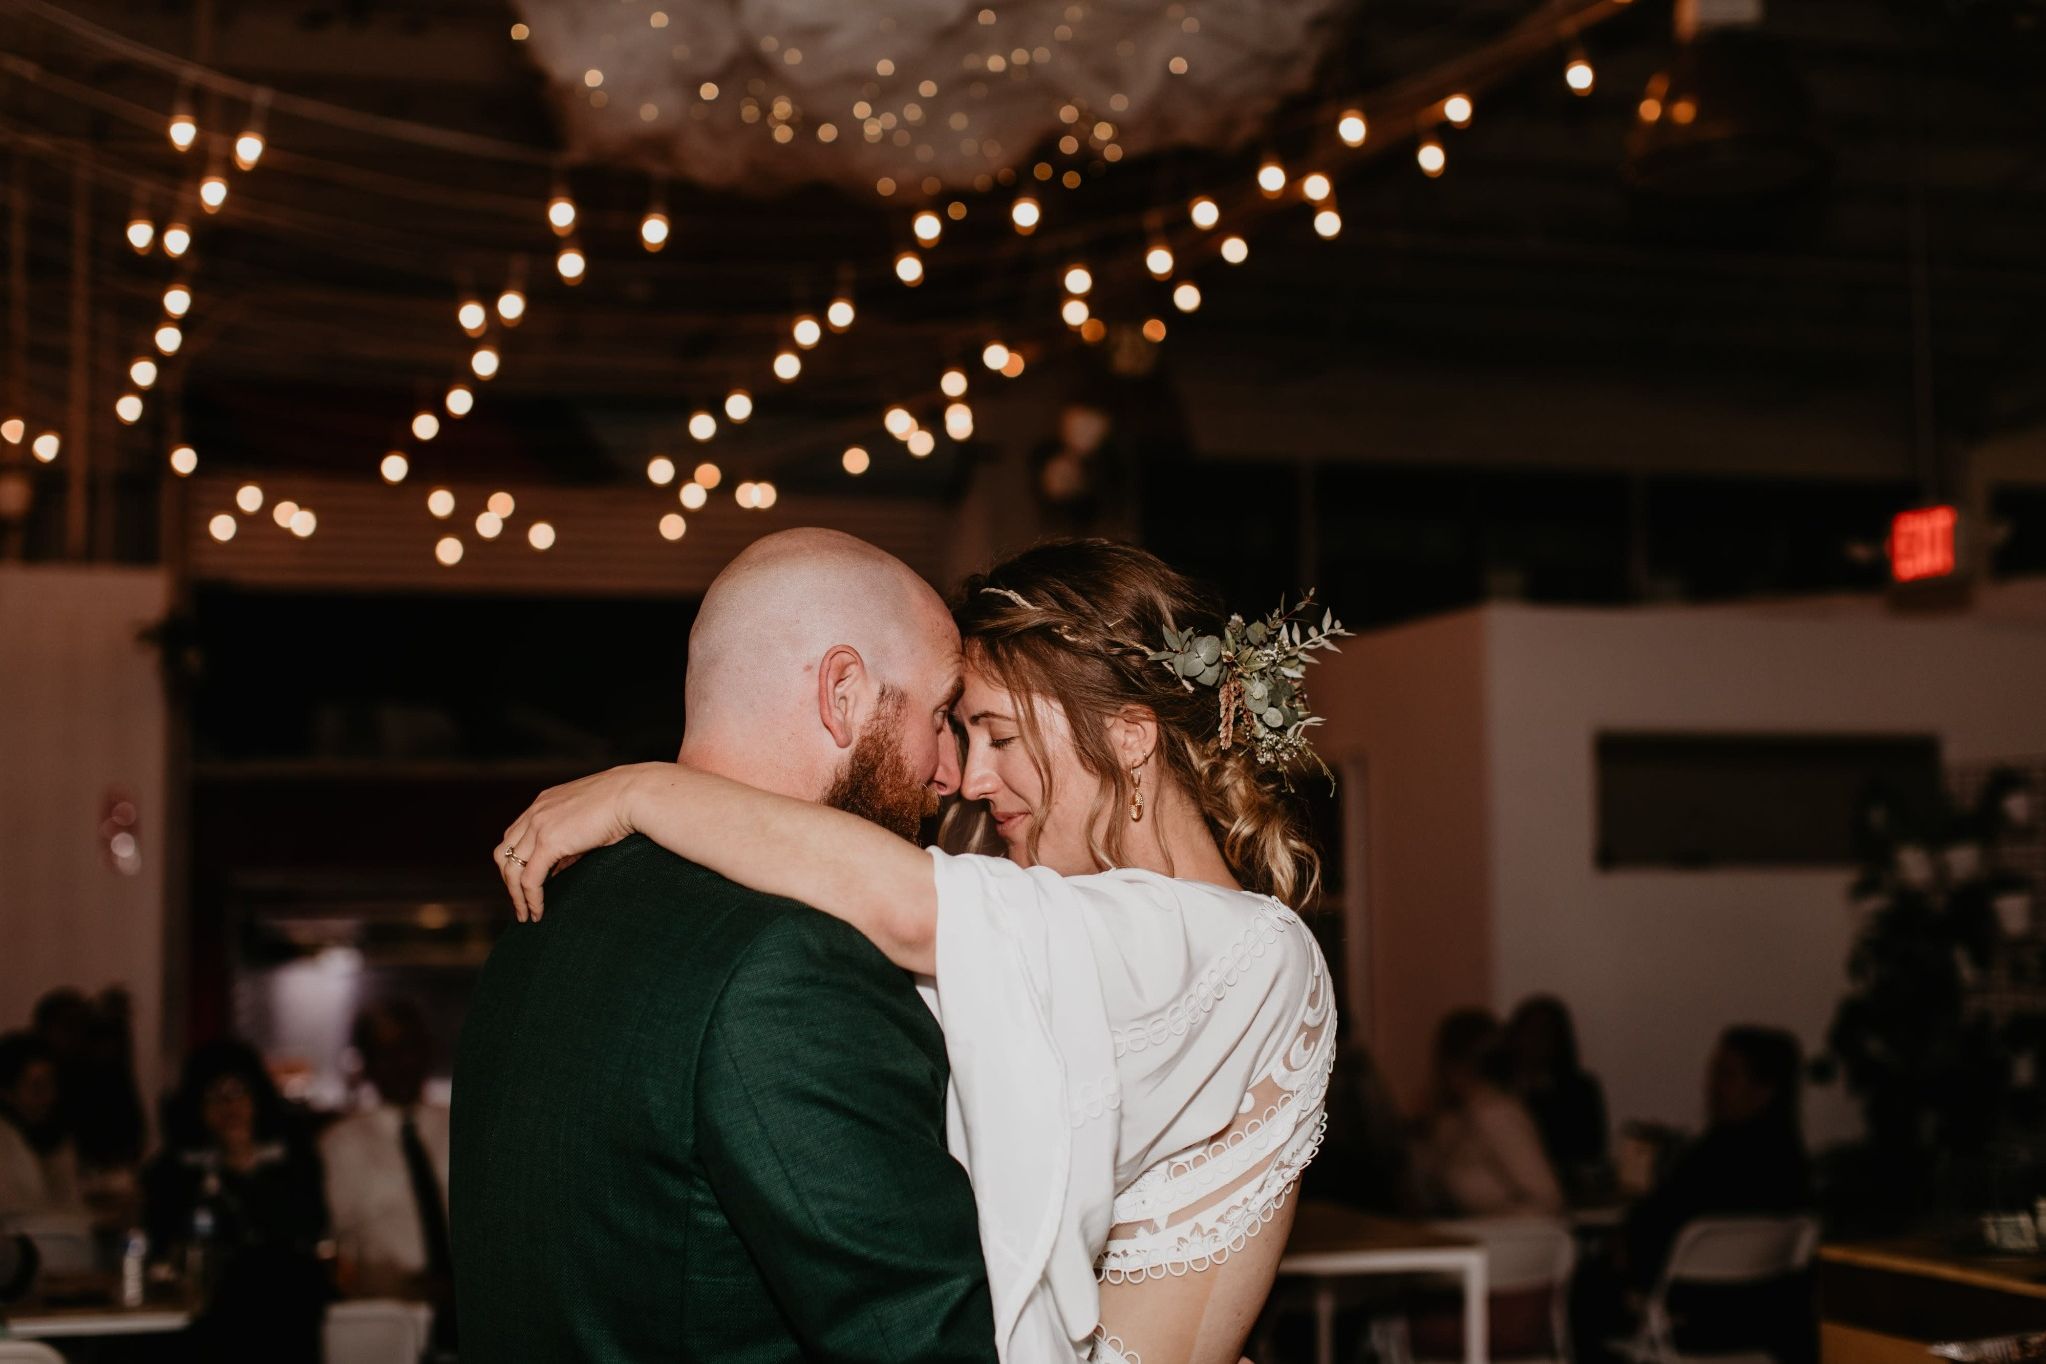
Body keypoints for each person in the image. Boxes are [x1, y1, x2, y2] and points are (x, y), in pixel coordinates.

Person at [493, 535, 1337, 1364]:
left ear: (1130, 736)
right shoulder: (1051, 928)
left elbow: (908, 907)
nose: (966, 779)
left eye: (997, 738)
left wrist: (642, 790)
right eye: (958, 731)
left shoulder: (1248, 947)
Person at [455, 529, 1002, 1364]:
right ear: (844, 692)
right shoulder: (794, 963)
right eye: (941, 717)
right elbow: (930, 1340)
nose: (954, 774)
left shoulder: (547, 923)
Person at [144, 1040, 330, 1364]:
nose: (228, 1106)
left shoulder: (293, 1158)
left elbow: (308, 1227)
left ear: (258, 1098)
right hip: (201, 1317)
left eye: (238, 1092)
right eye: (215, 1096)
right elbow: (163, 1242)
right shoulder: (174, 1168)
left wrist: (246, 1168)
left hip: (284, 1311)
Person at [321, 1000, 454, 1346]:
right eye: (387, 1052)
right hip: (387, 1320)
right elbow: (335, 1241)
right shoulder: (340, 1143)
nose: (402, 1063)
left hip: (472, 1306)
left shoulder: (461, 1126)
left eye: (410, 1048)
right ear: (367, 1063)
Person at [1409, 1009, 1564, 1217]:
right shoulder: (1455, 1118)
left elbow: (1547, 1201)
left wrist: (1481, 1231)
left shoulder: (1495, 1115)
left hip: (1510, 1241)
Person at [1503, 995, 1609, 1200]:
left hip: (1567, 1193)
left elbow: (1591, 1150)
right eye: (1529, 1032)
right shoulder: (1499, 1092)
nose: (1535, 1042)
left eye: (1545, 1034)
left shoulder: (1580, 1090)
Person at [0, 1031, 85, 1222]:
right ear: (7, 1092)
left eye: (52, 1085)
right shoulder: (5, 1142)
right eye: (37, 1088)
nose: (49, 1097)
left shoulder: (54, 1136)